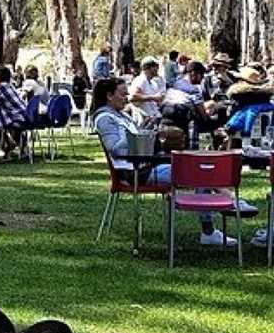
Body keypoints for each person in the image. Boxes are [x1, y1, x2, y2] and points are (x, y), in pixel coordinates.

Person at [91, 77, 236, 246]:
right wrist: (140, 134)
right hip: (135, 173)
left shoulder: (121, 116)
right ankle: (216, 221)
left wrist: (148, 130)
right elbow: (115, 150)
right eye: (123, 94)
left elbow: (136, 141)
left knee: (199, 168)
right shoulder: (105, 119)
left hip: (147, 165)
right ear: (109, 95)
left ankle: (226, 203)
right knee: (200, 173)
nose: (127, 98)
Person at [0, 65, 28, 154]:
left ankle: (7, 145)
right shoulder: (10, 86)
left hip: (17, 116)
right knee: (3, 120)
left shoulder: (1, 87)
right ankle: (22, 148)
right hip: (24, 114)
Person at [128, 56, 166, 123]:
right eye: (155, 67)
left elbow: (157, 100)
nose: (157, 69)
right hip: (146, 121)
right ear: (148, 68)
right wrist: (153, 97)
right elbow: (132, 97)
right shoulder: (141, 80)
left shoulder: (153, 83)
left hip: (155, 117)